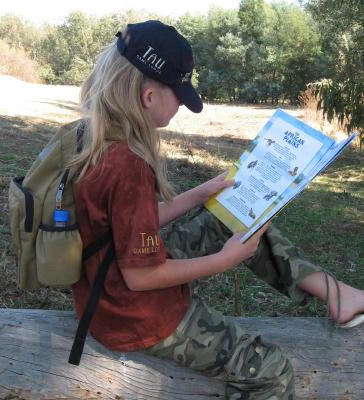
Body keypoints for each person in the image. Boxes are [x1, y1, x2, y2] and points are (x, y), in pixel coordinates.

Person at [67, 20, 364, 399]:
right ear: (148, 96)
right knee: (271, 372)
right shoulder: (127, 163)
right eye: (179, 95)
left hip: (105, 289)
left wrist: (200, 193)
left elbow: (121, 227)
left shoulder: (95, 137)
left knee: (236, 215)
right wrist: (226, 260)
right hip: (134, 314)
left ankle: (339, 295)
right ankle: (337, 299)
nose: (181, 107)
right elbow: (141, 276)